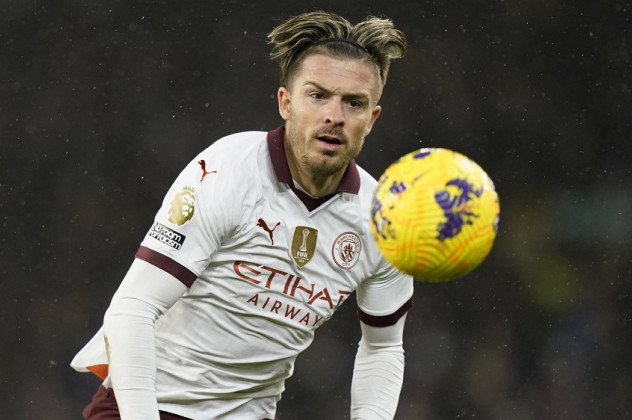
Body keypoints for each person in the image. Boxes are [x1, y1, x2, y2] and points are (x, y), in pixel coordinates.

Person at [71, 10, 414, 420]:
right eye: (318, 95)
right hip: (148, 405)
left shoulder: (384, 219)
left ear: (371, 119)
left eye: (353, 103)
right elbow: (133, 308)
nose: (334, 116)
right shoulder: (226, 170)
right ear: (286, 102)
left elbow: (383, 346)